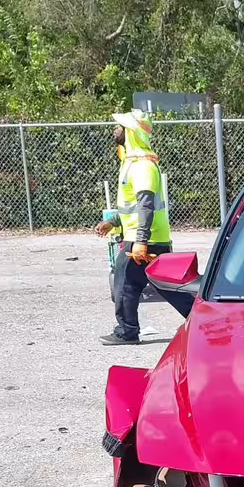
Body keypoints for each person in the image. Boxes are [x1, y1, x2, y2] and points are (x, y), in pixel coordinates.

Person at [95, 109, 193, 344]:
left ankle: (127, 331)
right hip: (149, 237)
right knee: (167, 286)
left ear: (131, 132)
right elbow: (133, 206)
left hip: (142, 240)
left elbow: (146, 206)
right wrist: (113, 222)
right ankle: (205, 322)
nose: (115, 129)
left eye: (120, 126)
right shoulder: (134, 163)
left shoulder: (141, 166)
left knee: (125, 285)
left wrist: (140, 241)